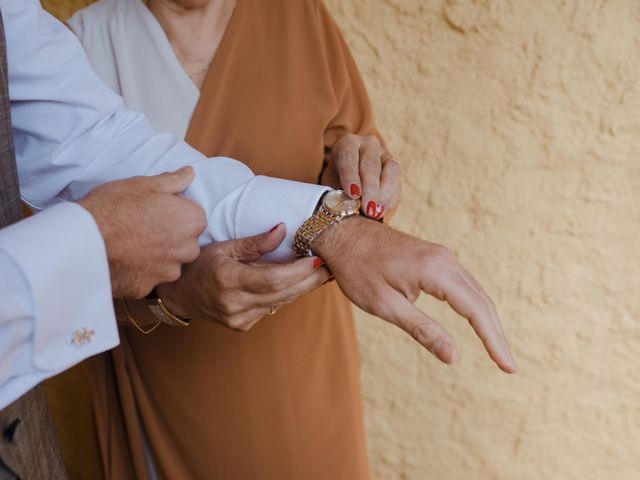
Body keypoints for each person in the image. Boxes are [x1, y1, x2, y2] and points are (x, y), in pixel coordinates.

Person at [1, 0, 514, 477]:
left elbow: (351, 152)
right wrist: (171, 300)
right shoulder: (83, 44)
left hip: (306, 370)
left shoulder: (298, 15)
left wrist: (356, 199)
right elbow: (80, 261)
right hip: (174, 389)